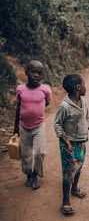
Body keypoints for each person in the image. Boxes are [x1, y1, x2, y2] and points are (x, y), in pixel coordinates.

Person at [54, 74, 89, 215]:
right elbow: (57, 125)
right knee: (68, 170)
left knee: (79, 165)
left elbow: (87, 116)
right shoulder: (64, 106)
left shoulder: (83, 101)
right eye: (84, 84)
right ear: (78, 87)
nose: (85, 87)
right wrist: (66, 142)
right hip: (68, 144)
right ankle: (65, 201)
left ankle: (74, 188)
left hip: (81, 141)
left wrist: (88, 127)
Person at [13, 60, 52, 190]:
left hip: (38, 126)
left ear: (42, 75)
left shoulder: (45, 90)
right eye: (33, 72)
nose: (36, 75)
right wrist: (16, 129)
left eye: (39, 73)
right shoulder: (20, 89)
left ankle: (36, 174)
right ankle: (29, 174)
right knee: (26, 154)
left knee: (40, 152)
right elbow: (18, 108)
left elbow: (46, 103)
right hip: (23, 127)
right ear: (26, 73)